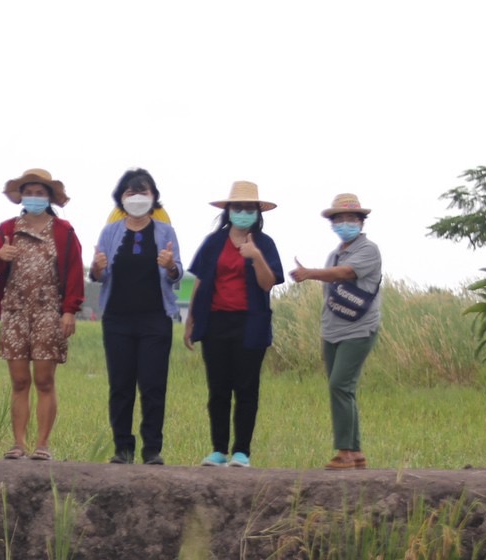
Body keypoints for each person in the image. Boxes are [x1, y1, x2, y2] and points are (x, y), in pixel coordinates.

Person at [0, 168, 84, 461]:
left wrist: (69, 311)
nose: (34, 198)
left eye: (40, 193)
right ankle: (18, 444)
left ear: (49, 197)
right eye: (29, 192)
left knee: (44, 380)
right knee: (19, 380)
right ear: (21, 196)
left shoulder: (64, 232)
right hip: (14, 310)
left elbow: (75, 272)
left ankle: (42, 445)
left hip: (48, 311)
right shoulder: (7, 229)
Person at [183, 181, 284, 468]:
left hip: (250, 323)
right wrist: (189, 320)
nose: (242, 213)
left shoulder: (264, 244)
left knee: (247, 389)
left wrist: (255, 258)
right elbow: (196, 281)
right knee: (218, 390)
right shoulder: (213, 242)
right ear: (228, 211)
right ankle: (218, 450)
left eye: (248, 208)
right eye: (237, 208)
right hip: (215, 322)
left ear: (257, 212)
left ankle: (242, 452)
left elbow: (267, 284)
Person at [90, 169, 182, 465]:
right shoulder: (110, 232)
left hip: (156, 319)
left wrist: (170, 265)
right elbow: (98, 276)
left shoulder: (165, 232)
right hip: (117, 320)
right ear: (121, 199)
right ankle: (123, 449)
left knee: (153, 385)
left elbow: (176, 273)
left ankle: (152, 449)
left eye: (144, 193)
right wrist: (96, 268)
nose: (138, 198)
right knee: (121, 385)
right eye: (131, 193)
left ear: (154, 198)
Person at [289, 193, 382, 470]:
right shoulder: (334, 254)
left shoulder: (369, 250)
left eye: (351, 219)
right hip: (332, 329)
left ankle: (344, 452)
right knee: (344, 389)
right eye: (339, 219)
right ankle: (356, 452)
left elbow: (345, 274)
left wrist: (310, 273)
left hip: (359, 328)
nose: (345, 223)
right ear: (332, 224)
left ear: (361, 222)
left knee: (339, 385)